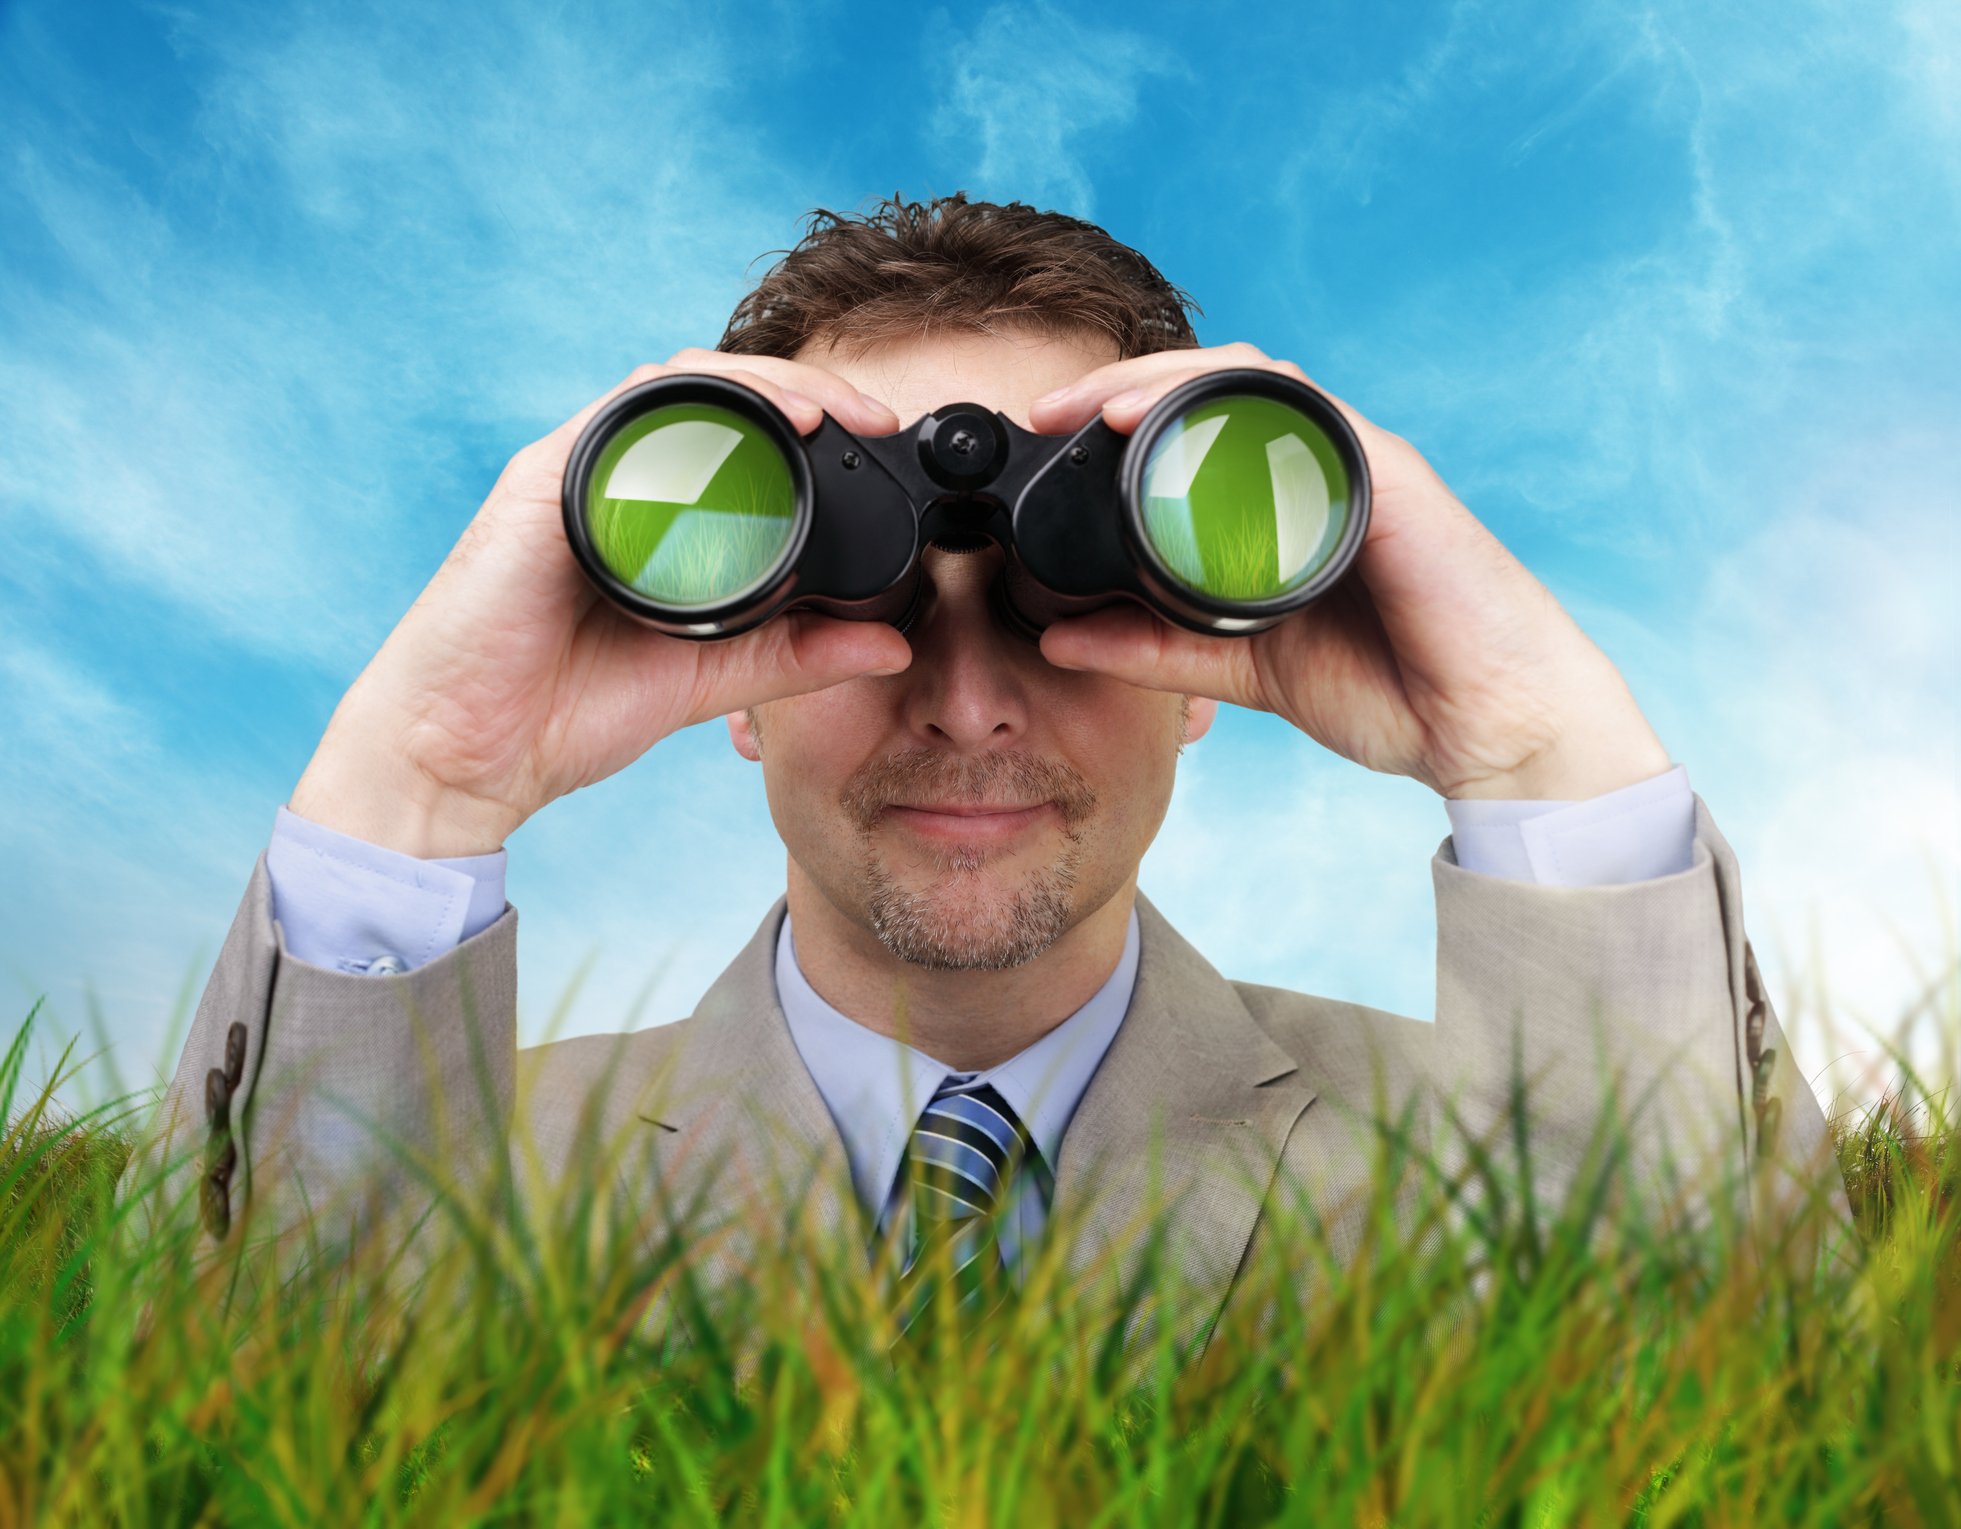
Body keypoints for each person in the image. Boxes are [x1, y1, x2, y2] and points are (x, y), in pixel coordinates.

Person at [114, 192, 1853, 1376]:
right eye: (855, 608)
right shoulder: (473, 1156)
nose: (961, 702)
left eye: (1062, 602)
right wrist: (420, 783)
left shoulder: (1471, 1147)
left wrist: (1538, 751)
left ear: (1200, 682)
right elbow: (177, 1425)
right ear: (726, 683)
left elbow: (1766, 1418)